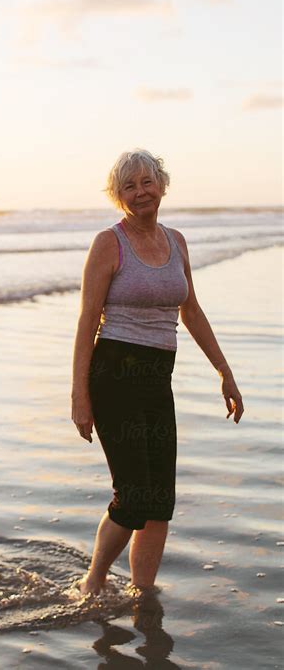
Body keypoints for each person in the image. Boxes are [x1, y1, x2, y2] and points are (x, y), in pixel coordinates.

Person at [70, 148, 244, 597]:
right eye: (129, 186)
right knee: (132, 499)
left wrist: (224, 371)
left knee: (160, 502)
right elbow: (88, 320)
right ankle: (94, 580)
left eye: (147, 182)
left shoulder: (177, 241)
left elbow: (190, 309)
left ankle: (142, 595)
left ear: (161, 185)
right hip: (113, 377)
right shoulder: (109, 243)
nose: (140, 192)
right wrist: (79, 396)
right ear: (118, 196)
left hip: (157, 379)